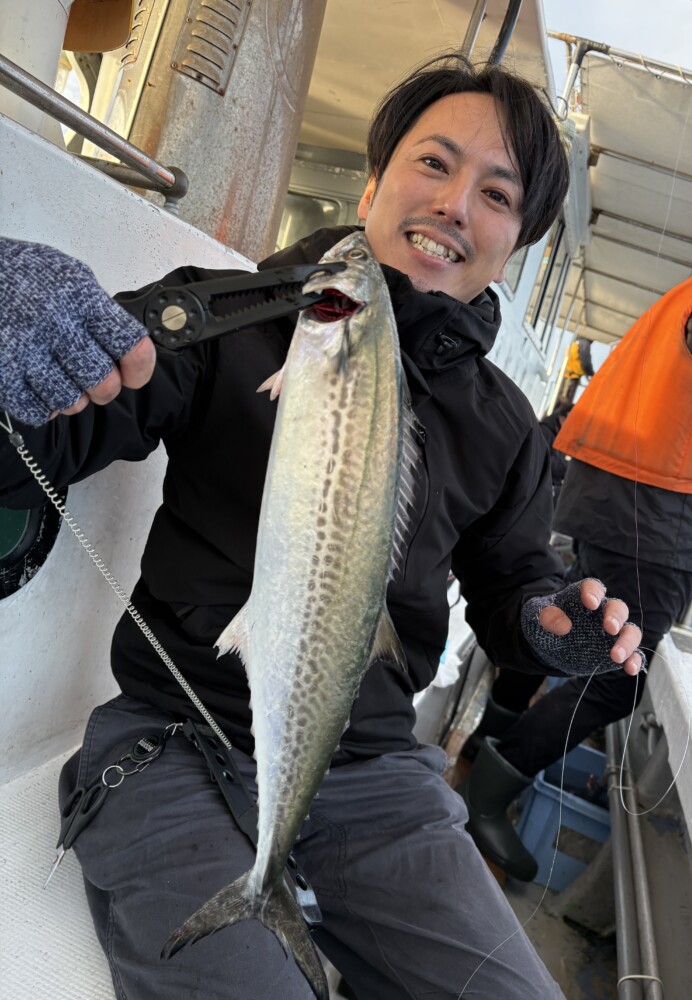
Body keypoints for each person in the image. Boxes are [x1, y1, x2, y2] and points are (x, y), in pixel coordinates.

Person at [0, 55, 644, 1000]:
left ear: (517, 240)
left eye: (496, 194)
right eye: (433, 163)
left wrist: (555, 628)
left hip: (378, 772)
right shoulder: (231, 317)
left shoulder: (504, 422)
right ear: (376, 180)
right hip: (176, 734)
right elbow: (57, 435)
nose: (456, 203)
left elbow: (510, 587)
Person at [459, 202, 692, 882]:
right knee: (619, 679)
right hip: (662, 522)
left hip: (610, 507)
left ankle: (484, 737)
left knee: (575, 628)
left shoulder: (681, 302)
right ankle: (489, 796)